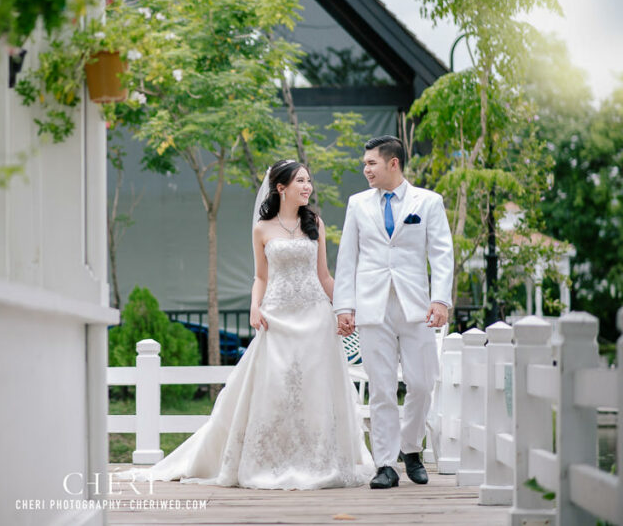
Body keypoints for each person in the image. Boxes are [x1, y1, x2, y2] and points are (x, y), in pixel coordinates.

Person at [118, 159, 373, 490]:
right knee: (277, 388)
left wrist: (345, 309)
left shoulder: (316, 224)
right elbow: (261, 276)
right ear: (281, 187)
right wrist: (255, 306)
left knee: (314, 389)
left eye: (309, 181)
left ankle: (318, 458)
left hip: (315, 317)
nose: (308, 187)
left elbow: (324, 275)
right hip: (278, 316)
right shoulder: (262, 228)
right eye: (301, 181)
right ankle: (273, 458)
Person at [333, 135, 454, 489]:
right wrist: (344, 306)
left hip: (416, 306)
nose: (365, 169)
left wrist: (441, 299)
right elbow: (347, 258)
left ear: (393, 163)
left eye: (371, 163)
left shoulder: (428, 202)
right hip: (372, 307)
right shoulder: (357, 204)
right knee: (383, 388)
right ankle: (385, 464)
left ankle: (412, 450)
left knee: (421, 383)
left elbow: (442, 254)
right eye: (365, 163)